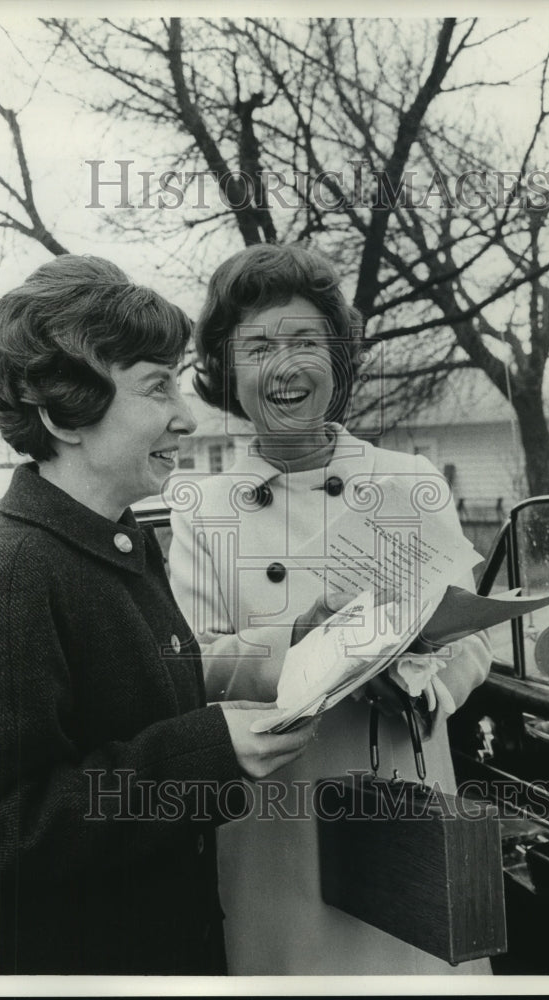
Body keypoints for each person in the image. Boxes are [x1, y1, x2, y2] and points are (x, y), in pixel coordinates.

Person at [0, 254, 314, 976]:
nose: (186, 416)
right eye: (156, 387)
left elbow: (141, 704)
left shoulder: (117, 545)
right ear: (63, 412)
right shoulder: (12, 580)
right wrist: (207, 755)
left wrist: (300, 649)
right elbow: (1, 832)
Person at [166, 243, 493, 975]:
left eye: (306, 342)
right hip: (278, 823)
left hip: (404, 800)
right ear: (226, 371)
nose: (284, 366)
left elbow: (471, 639)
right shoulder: (202, 508)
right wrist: (302, 643)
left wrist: (423, 680)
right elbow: (191, 662)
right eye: (257, 347)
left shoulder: (410, 480)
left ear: (338, 360)